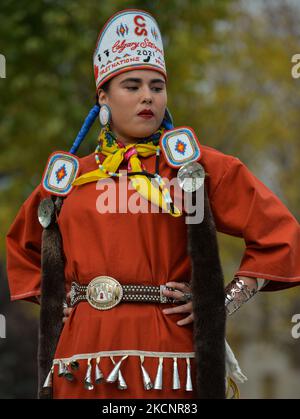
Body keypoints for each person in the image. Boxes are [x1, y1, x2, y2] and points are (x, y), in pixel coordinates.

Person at [5, 9, 300, 400]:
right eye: (132, 86)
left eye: (157, 87)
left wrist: (221, 302)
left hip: (166, 358)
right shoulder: (70, 177)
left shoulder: (198, 167)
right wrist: (54, 301)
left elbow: (281, 236)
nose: (148, 96)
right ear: (103, 97)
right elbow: (21, 248)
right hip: (82, 359)